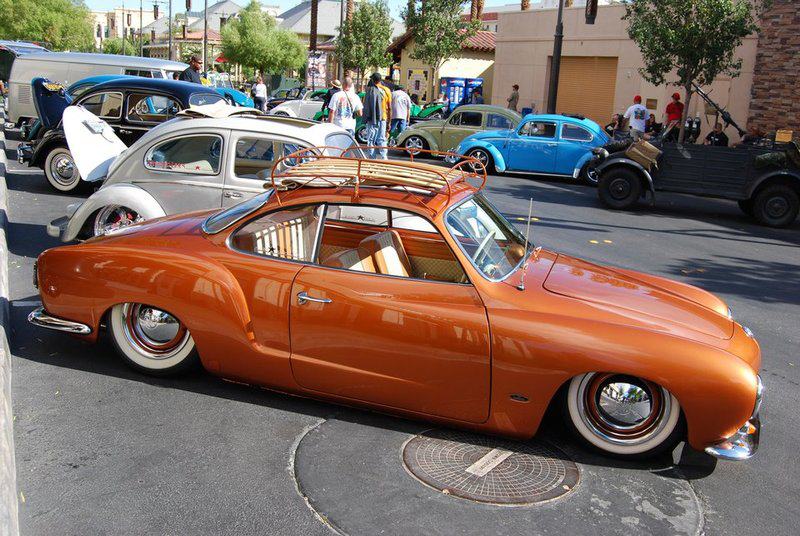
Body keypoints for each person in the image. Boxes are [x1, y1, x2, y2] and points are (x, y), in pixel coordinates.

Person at [363, 73, 389, 159]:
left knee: (371, 139)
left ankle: (372, 158)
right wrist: (389, 121)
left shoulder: (370, 90)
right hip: (383, 117)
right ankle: (384, 158)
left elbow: (367, 106)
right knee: (381, 139)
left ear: (373, 80)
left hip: (372, 118)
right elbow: (390, 107)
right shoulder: (386, 90)